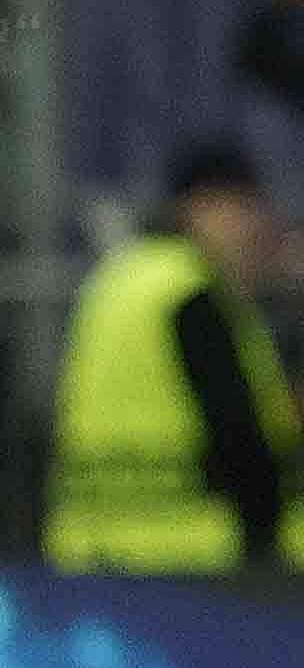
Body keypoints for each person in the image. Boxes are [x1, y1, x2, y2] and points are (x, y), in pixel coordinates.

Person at [46, 139, 293, 575]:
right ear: (195, 208)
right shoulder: (188, 291)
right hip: (190, 553)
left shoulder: (117, 280)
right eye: (240, 210)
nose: (251, 229)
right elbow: (235, 433)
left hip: (89, 551)